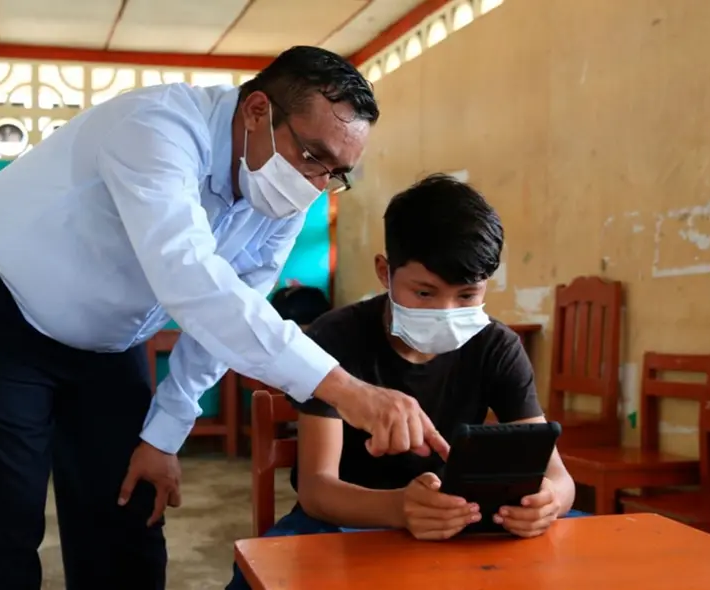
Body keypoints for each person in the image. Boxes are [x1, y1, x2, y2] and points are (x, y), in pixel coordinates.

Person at [0, 46, 449, 590]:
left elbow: (232, 310)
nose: (317, 185)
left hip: (108, 336)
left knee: (128, 509)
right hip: (1, 303)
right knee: (3, 513)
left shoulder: (281, 199)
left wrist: (164, 437)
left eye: (336, 173)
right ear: (256, 112)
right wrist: (346, 390)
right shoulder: (156, 128)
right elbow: (191, 280)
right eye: (312, 156)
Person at [227, 174, 581, 590]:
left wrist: (548, 501)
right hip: (350, 519)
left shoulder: (495, 346)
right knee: (263, 576)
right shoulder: (335, 338)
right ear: (385, 272)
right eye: (425, 293)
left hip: (462, 522)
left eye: (467, 295)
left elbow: (557, 476)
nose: (447, 311)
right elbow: (317, 490)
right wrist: (398, 509)